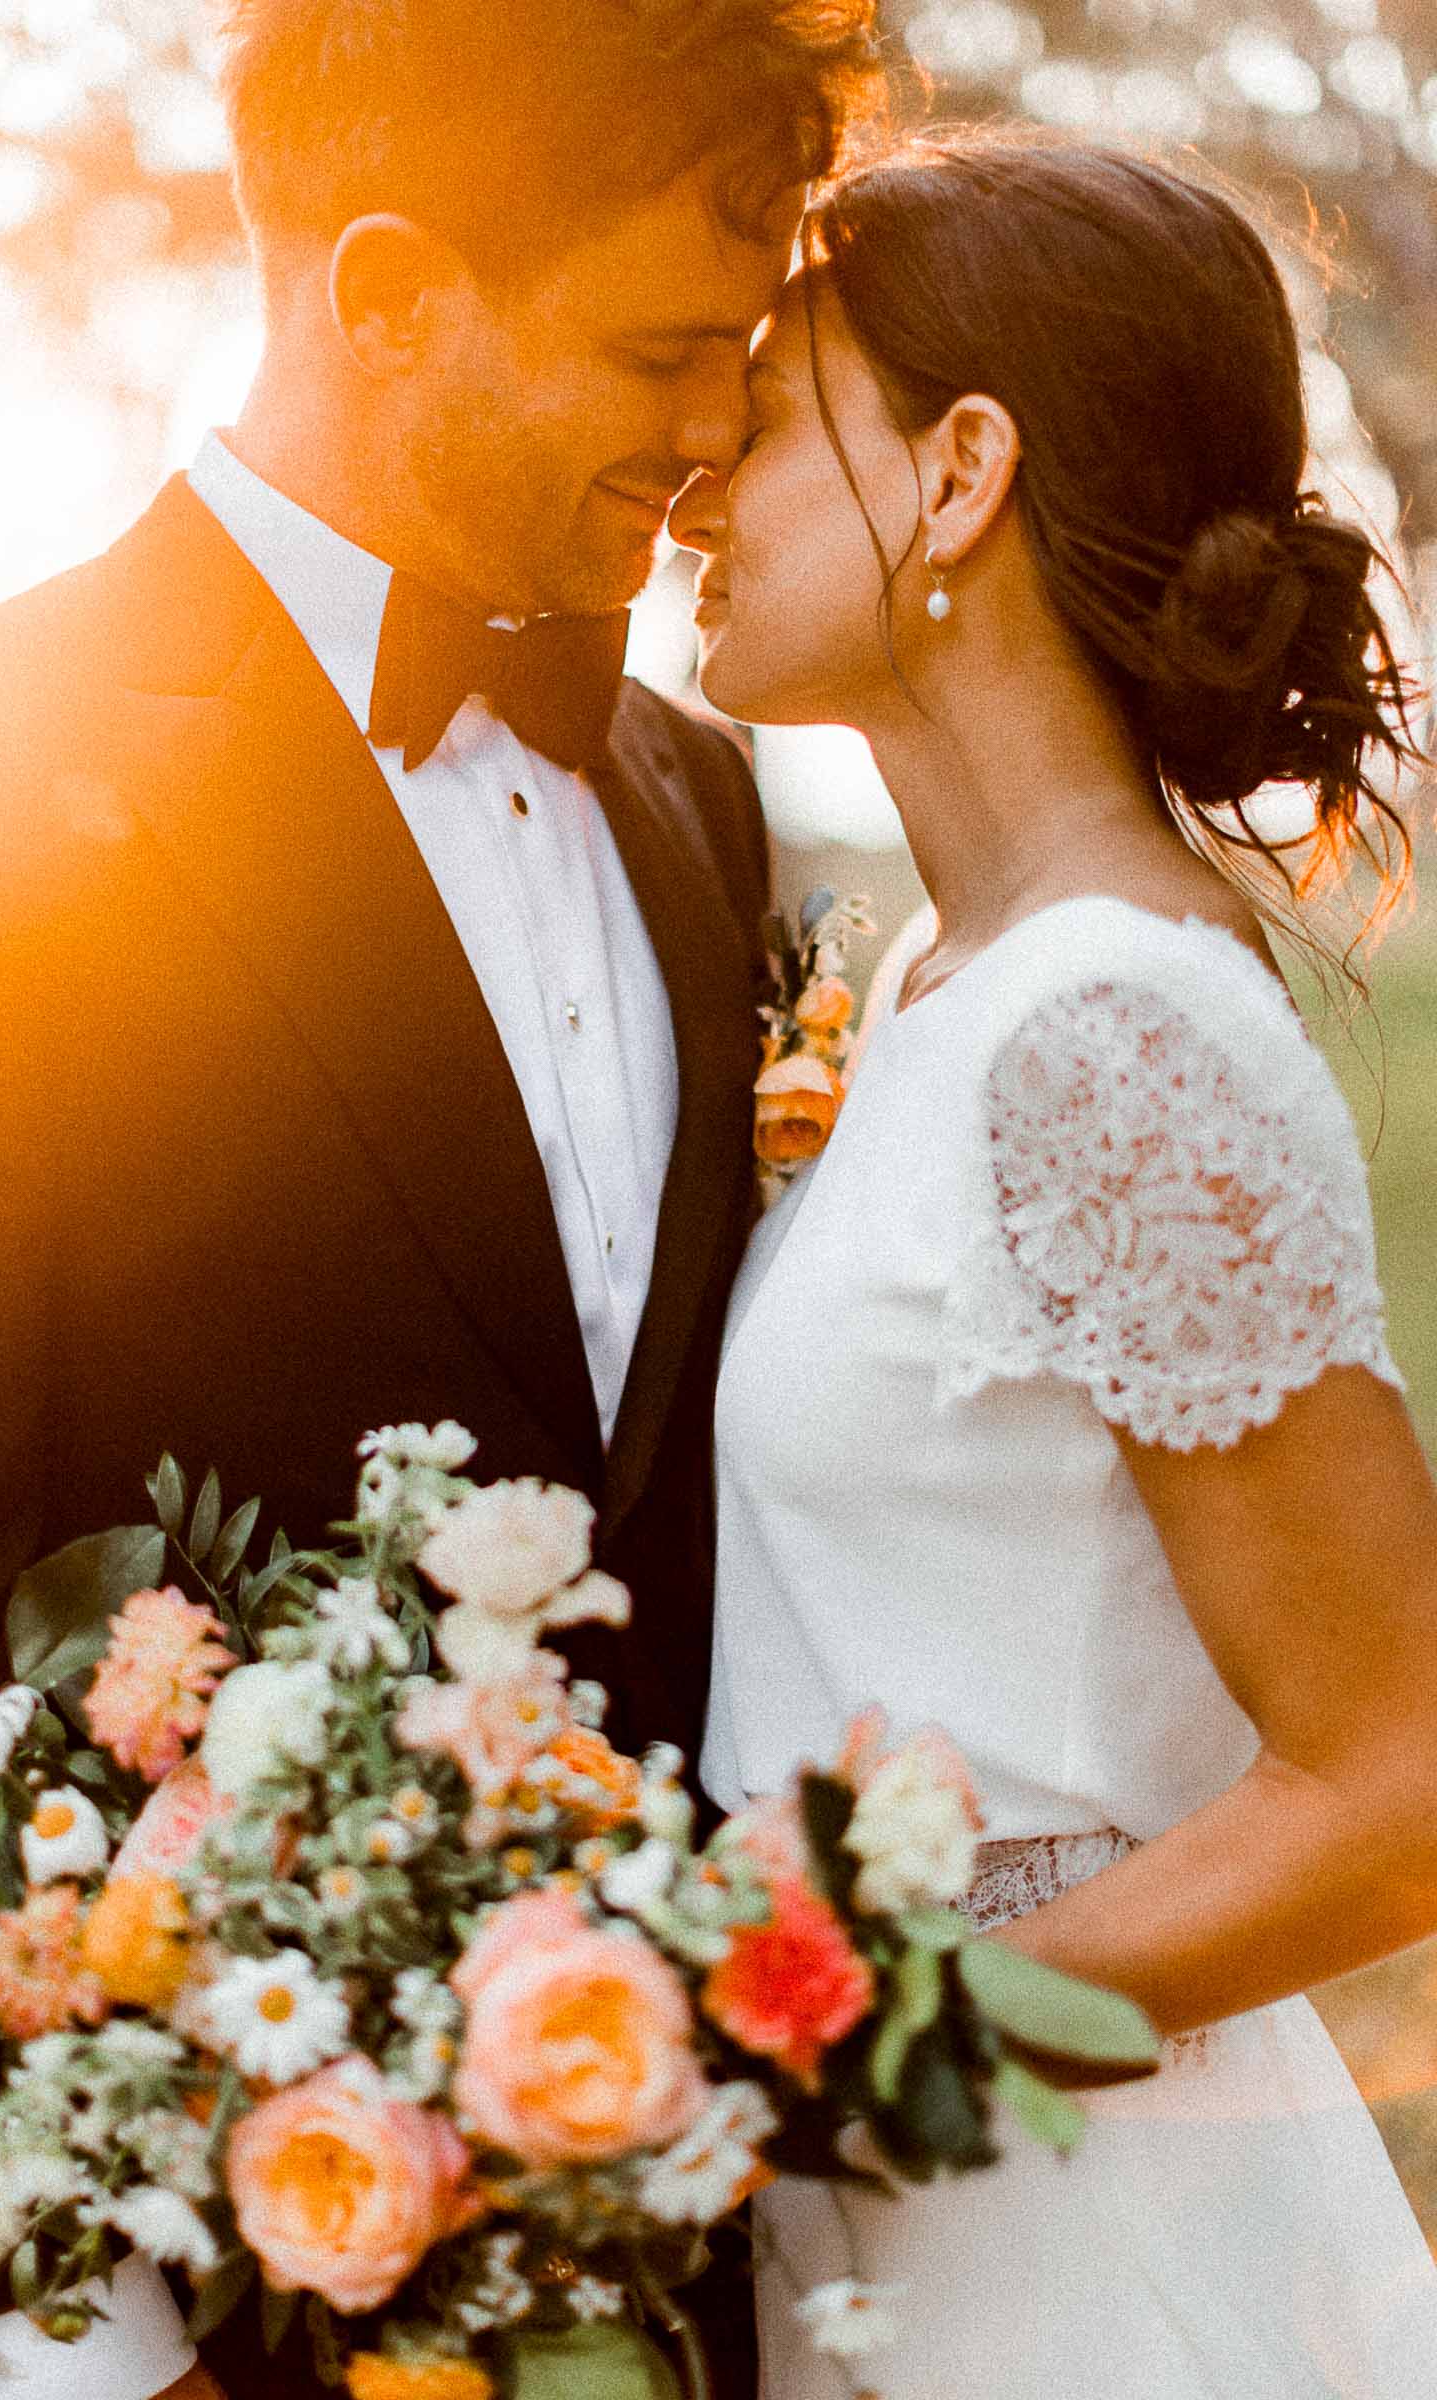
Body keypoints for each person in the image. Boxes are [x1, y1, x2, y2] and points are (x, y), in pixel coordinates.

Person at [0, 3, 882, 2394]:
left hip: (686, 2230)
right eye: (665, 352)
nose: (720, 441)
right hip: (150, 2280)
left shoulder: (694, 804)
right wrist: (61, 2285)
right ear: (391, 291)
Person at [674, 132, 1437, 2395]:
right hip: (890, 2234)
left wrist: (841, 2044)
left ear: (956, 473)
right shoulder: (937, 978)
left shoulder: (1109, 1027)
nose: (692, 495)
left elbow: (1393, 1777)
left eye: (759, 421)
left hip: (1095, 2270)